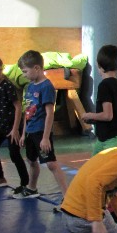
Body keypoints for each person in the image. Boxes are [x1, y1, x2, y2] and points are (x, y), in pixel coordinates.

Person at [14, 50, 69, 199]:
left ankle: (67, 196)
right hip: (30, 131)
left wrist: (45, 137)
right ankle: (32, 188)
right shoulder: (30, 87)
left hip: (40, 131)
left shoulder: (46, 87)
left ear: (37, 68)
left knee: (51, 163)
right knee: (31, 161)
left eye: (25, 71)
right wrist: (24, 133)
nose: (24, 75)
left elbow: (50, 113)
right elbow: (27, 112)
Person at [0, 54, 28, 189]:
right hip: (1, 126)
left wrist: (15, 129)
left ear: (2, 69)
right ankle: (0, 177)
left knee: (14, 155)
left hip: (13, 125)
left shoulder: (7, 85)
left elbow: (18, 107)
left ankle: (25, 184)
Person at [82, 45, 117, 155]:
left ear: (99, 65)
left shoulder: (104, 85)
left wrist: (90, 115)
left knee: (99, 166)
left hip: (110, 141)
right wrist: (96, 119)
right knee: (94, 165)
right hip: (112, 139)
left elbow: (108, 115)